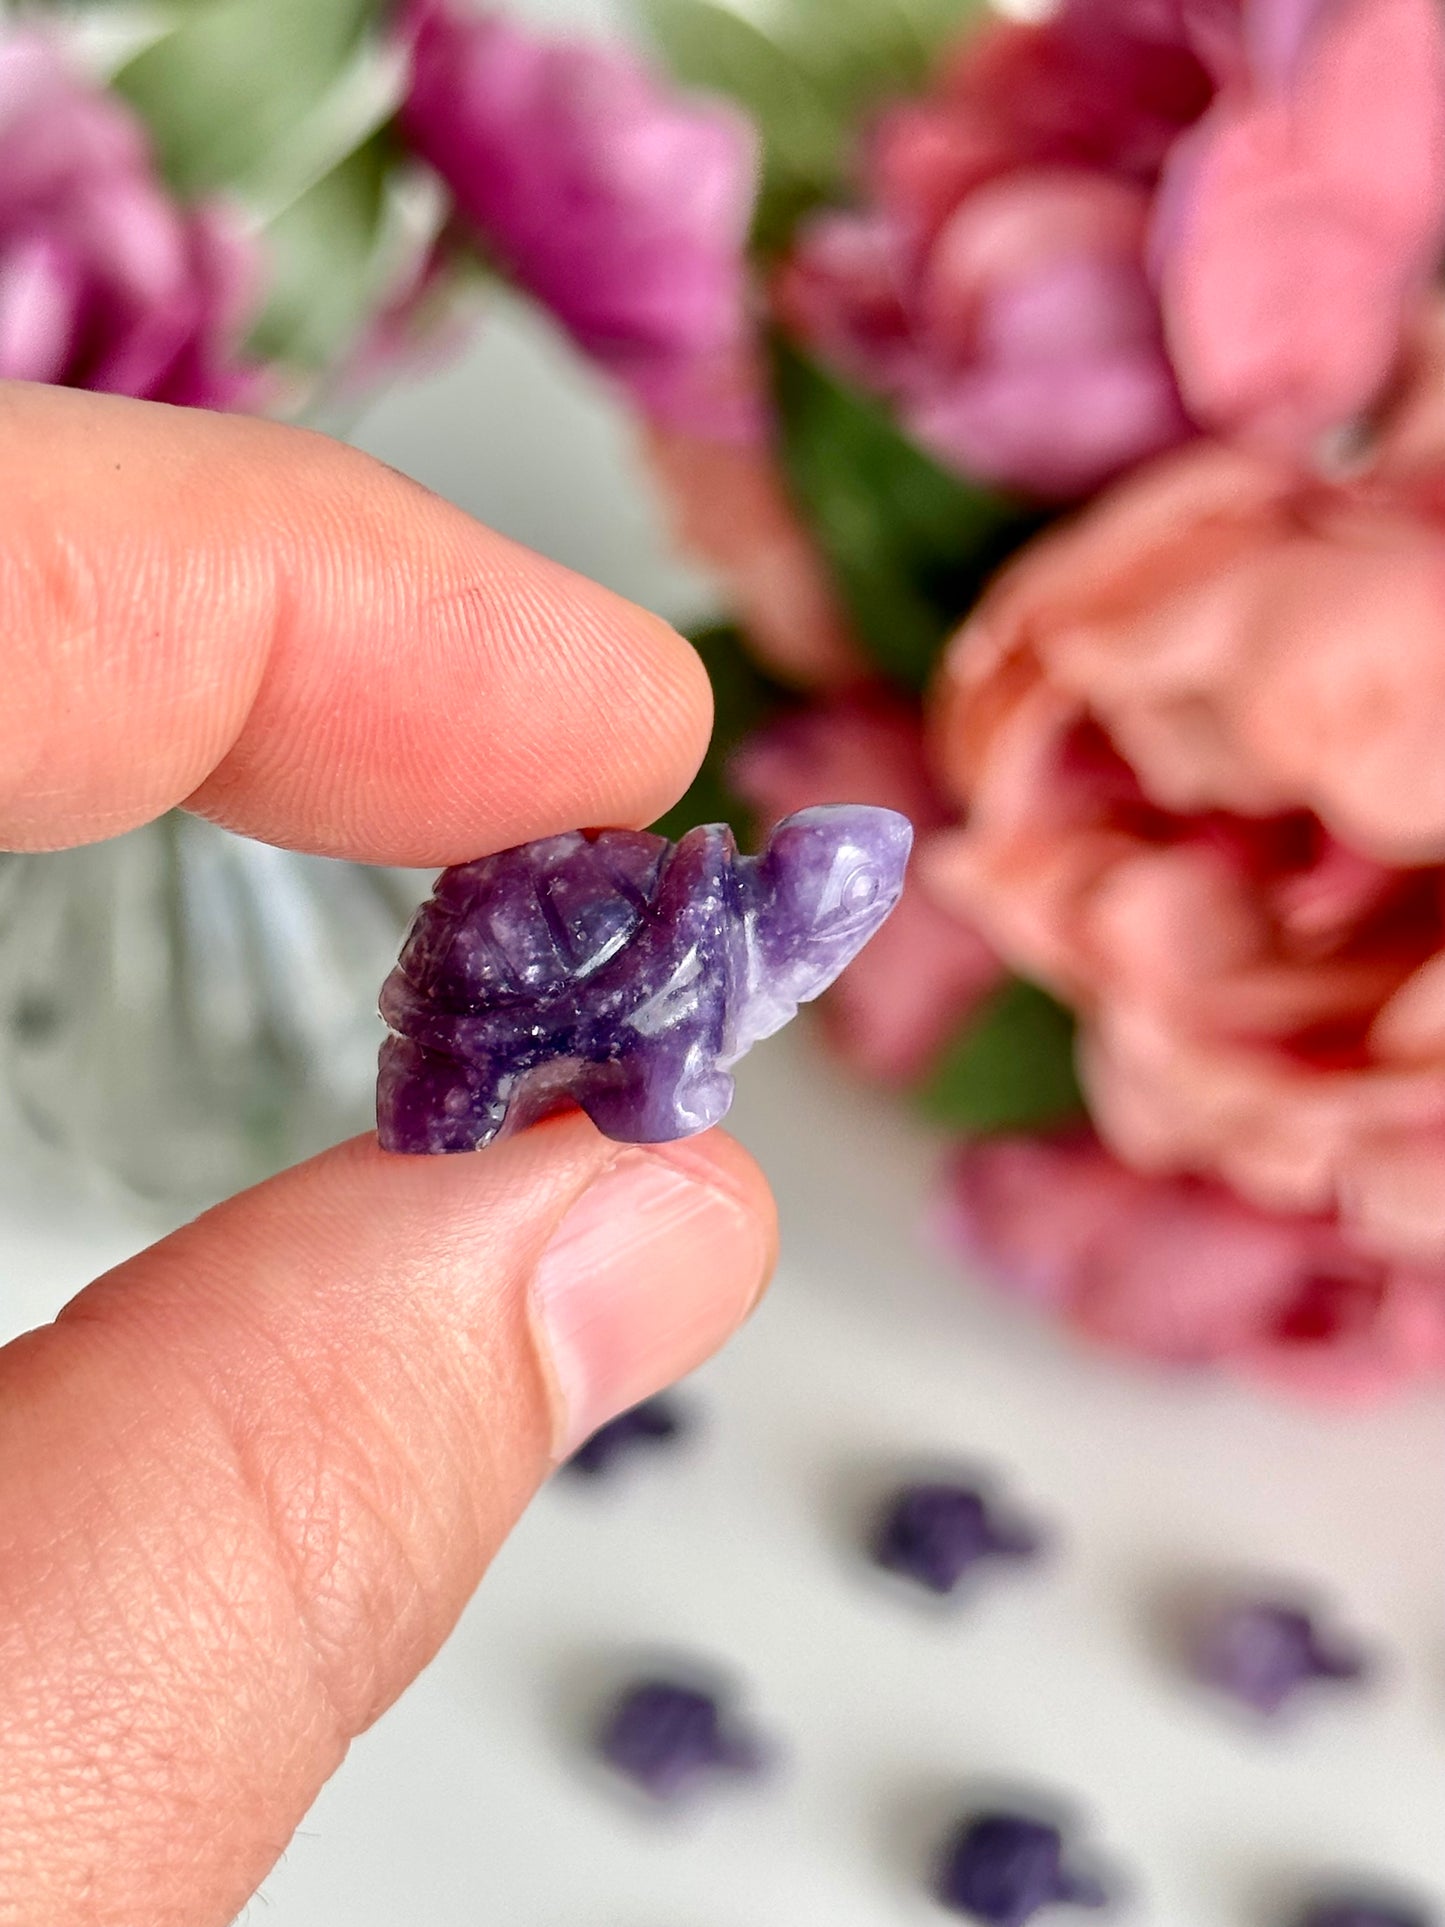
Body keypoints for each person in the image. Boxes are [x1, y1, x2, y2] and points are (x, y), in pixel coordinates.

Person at [0, 383, 778, 1925]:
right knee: (456, 1100)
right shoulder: (696, 951)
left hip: (508, 963)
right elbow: (653, 1077)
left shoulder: (709, 951)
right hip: (491, 984)